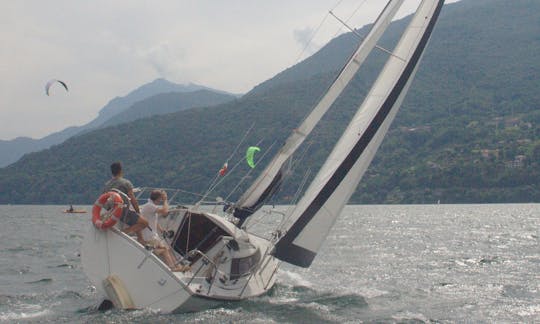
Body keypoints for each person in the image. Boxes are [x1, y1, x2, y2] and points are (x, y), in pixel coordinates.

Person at [141, 189, 190, 272]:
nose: (161, 200)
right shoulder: (149, 206)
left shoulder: (150, 206)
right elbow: (165, 211)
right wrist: (165, 200)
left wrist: (161, 229)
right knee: (164, 250)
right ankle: (173, 268)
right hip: (148, 236)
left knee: (168, 248)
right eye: (161, 198)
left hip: (152, 234)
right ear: (159, 198)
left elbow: (152, 220)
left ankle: (178, 266)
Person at [102, 161, 148, 244]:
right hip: (122, 211)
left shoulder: (107, 185)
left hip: (112, 211)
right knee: (144, 223)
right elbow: (133, 200)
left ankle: (140, 239)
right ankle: (124, 233)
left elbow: (104, 200)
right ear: (121, 171)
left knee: (135, 219)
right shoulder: (125, 183)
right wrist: (138, 212)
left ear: (112, 172)